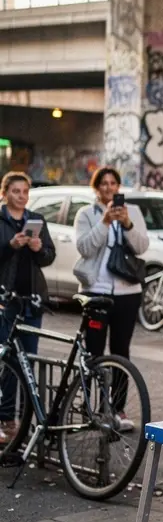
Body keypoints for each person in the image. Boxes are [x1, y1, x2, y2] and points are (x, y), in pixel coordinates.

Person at [74, 167, 150, 426]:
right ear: (96, 188)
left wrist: (126, 224)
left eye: (113, 183)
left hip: (127, 293)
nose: (108, 188)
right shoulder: (86, 214)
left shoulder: (133, 212)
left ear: (119, 187)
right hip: (95, 292)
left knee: (121, 352)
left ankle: (117, 410)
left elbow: (142, 246)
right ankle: (90, 407)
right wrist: (105, 222)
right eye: (103, 184)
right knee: (93, 353)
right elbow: (84, 247)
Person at [0, 171, 55, 442]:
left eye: (25, 191)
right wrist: (10, 246)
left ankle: (27, 424)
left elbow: (48, 257)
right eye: (16, 191)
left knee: (28, 362)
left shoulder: (37, 220)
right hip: (4, 300)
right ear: (5, 193)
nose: (21, 196)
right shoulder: (1, 220)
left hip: (31, 300)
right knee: (7, 361)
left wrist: (38, 248)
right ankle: (7, 420)